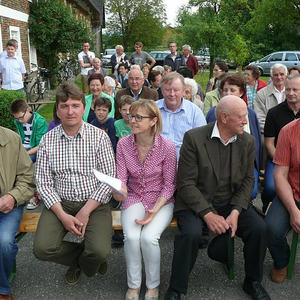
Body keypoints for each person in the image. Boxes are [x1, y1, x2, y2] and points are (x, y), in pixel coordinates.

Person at [164, 96, 270, 300]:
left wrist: (237, 211)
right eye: (241, 117)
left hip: (231, 202)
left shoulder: (247, 141)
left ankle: (253, 281)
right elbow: (185, 183)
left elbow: (249, 180)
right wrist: (208, 214)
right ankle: (176, 288)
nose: (246, 121)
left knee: (259, 228)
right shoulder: (194, 138)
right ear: (224, 117)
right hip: (198, 202)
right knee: (191, 234)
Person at [33, 83, 115, 286]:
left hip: (94, 203)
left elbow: (108, 178)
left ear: (83, 107)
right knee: (42, 249)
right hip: (61, 202)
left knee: (99, 250)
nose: (70, 111)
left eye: (76, 105)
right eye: (65, 106)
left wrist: (85, 211)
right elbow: (43, 182)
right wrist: (62, 215)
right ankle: (84, 260)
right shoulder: (47, 140)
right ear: (58, 110)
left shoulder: (99, 137)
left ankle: (89, 260)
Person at [113, 99, 177, 300]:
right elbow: (121, 179)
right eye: (131, 116)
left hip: (161, 199)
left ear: (153, 121)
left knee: (149, 238)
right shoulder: (123, 144)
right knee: (131, 237)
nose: (132, 121)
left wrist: (155, 209)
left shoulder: (167, 146)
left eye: (138, 117)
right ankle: (133, 285)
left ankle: (153, 285)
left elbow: (170, 185)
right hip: (133, 196)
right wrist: (118, 191)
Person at [206, 74, 262, 201]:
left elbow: (257, 140)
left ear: (241, 92)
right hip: (221, 163)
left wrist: (257, 165)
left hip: (246, 164)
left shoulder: (251, 114)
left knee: (252, 192)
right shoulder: (214, 113)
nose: (228, 93)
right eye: (225, 90)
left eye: (232, 90)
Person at [265, 102, 300, 284]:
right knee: (271, 228)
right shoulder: (289, 131)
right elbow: (280, 175)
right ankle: (282, 261)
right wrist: (294, 210)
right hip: (293, 192)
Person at [0, 126, 34, 300]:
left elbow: (28, 178)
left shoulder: (12, 139)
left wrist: (12, 197)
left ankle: (2, 290)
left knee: (4, 242)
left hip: (7, 205)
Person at [262, 75, 300, 213]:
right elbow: (269, 143)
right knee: (271, 187)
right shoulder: (274, 113)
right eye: (288, 89)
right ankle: (267, 206)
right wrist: (284, 162)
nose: (290, 93)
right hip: (277, 158)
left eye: (295, 90)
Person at [157, 72, 207, 160]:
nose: (172, 94)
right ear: (161, 90)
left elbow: (202, 141)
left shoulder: (195, 112)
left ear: (183, 91)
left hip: (185, 163)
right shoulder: (153, 110)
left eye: (176, 90)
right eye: (168, 90)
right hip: (156, 164)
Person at [10, 99, 48, 164]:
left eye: (21, 117)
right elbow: (19, 138)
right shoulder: (17, 121)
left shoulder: (40, 122)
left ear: (28, 110)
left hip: (34, 150)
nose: (19, 121)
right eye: (16, 118)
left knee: (21, 162)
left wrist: (25, 154)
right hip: (22, 148)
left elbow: (41, 145)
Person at [254, 63, 287, 133]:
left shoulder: (293, 93)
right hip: (269, 133)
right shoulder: (261, 94)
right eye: (275, 75)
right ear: (271, 77)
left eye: (282, 74)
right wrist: (276, 131)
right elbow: (259, 119)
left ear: (286, 76)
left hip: (290, 133)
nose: (279, 77)